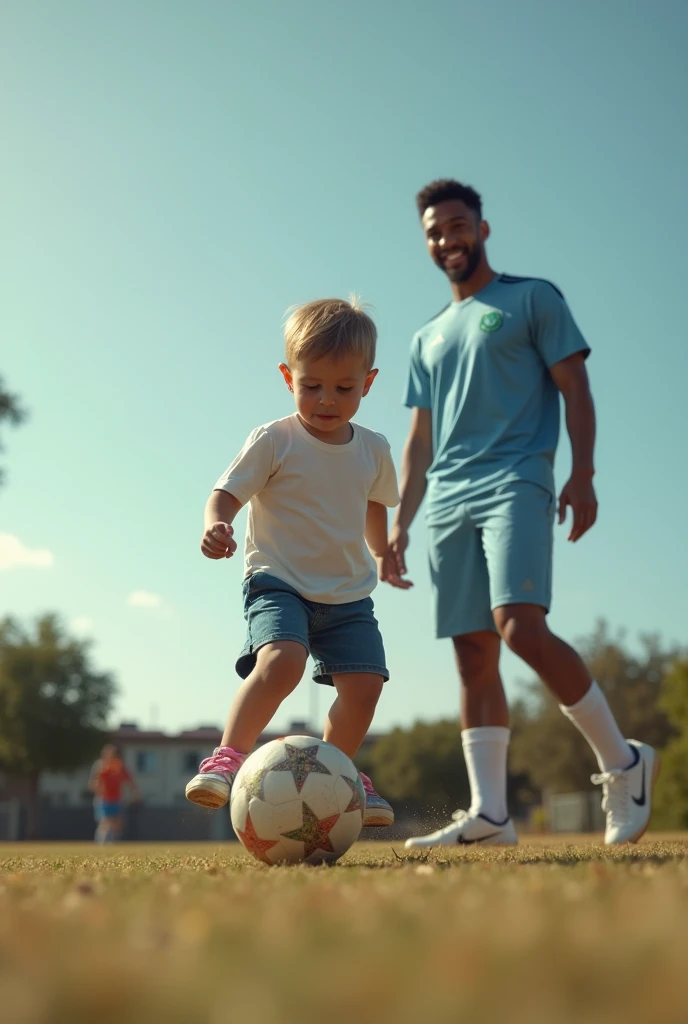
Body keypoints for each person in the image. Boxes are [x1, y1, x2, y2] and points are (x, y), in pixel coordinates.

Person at [385, 178, 658, 848]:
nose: (446, 238)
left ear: (481, 228)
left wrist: (583, 472)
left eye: (456, 225)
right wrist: (399, 521)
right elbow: (420, 439)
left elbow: (576, 386)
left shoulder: (533, 298)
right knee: (472, 654)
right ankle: (491, 816)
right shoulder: (425, 337)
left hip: (516, 480)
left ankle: (624, 764)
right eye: (433, 231)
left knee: (519, 627)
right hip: (446, 497)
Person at [185, 297, 399, 827]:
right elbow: (226, 492)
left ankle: (341, 775)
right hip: (278, 581)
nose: (327, 400)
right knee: (283, 661)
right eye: (312, 386)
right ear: (288, 377)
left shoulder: (373, 449)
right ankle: (227, 758)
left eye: (344, 388)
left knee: (366, 685)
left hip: (349, 595)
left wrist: (384, 550)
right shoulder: (275, 439)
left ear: (367, 383)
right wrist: (218, 523)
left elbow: (374, 505)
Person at [89, 744, 141, 843]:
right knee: (105, 822)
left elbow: (130, 780)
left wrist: (135, 793)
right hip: (103, 800)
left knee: (117, 824)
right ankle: (101, 844)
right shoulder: (100, 766)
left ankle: (113, 844)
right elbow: (93, 784)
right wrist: (99, 788)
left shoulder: (120, 767)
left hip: (116, 799)